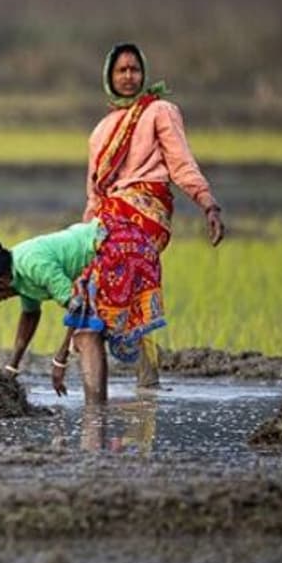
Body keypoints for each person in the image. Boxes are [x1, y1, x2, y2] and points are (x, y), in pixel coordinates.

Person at [85, 42, 225, 387]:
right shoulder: (102, 130)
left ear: (143, 73)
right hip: (111, 212)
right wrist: (84, 237)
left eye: (134, 69)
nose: (129, 76)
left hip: (148, 210)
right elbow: (94, 193)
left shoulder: (160, 110)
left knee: (122, 256)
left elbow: (181, 162)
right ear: (110, 77)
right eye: (122, 70)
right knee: (89, 283)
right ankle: (126, 377)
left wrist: (207, 203)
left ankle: (141, 373)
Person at [0, 215, 164, 404]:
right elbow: (30, 315)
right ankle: (133, 392)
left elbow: (79, 308)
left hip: (117, 246)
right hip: (110, 249)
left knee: (87, 335)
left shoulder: (33, 264)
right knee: (93, 331)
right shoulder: (16, 274)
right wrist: (12, 367)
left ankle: (97, 410)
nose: (0, 301)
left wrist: (60, 360)